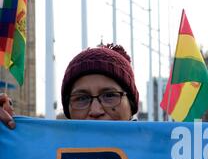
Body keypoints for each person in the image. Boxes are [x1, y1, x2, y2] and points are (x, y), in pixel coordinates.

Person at [0, 43, 139, 129]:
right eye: (82, 98)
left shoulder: (159, 156)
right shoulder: (36, 157)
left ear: (132, 105)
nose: (95, 111)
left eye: (109, 95)